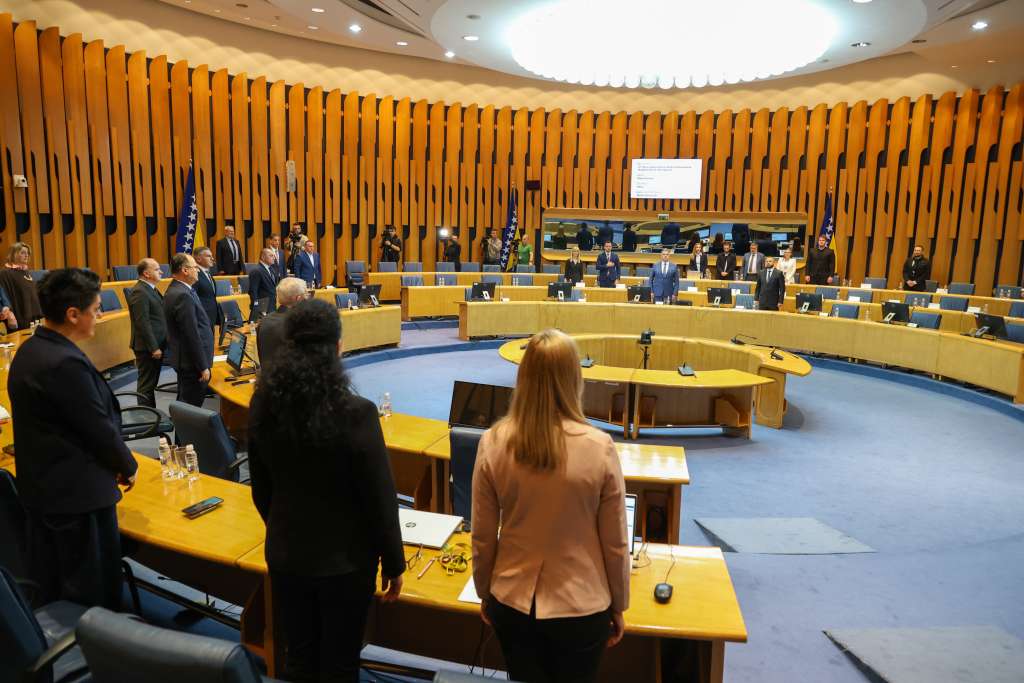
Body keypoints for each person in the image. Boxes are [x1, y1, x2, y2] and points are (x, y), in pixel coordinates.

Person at [249, 299, 404, 683]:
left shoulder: (263, 403)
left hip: (287, 554)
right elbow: (379, 498)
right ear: (337, 347)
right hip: (345, 564)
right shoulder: (357, 412)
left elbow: (260, 487)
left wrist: (284, 527)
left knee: (299, 659)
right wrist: (394, 563)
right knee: (340, 664)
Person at [472, 329, 629, 683]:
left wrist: (485, 592)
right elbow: (616, 544)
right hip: (582, 607)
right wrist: (619, 604)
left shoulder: (492, 441)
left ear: (523, 377)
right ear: (574, 378)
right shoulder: (599, 447)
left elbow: (482, 537)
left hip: (511, 602)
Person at [10, 268, 137, 609]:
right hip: (77, 498)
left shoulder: (31, 349)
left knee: (56, 583)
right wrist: (128, 466)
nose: (101, 315)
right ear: (72, 314)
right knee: (90, 590)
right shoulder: (63, 363)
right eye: (96, 309)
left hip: (46, 488)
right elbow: (96, 426)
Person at [164, 253, 214, 407]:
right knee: (191, 406)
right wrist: (202, 366)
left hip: (186, 359)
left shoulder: (180, 289)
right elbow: (191, 334)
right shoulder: (182, 295)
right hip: (191, 363)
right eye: (195, 267)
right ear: (185, 270)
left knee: (185, 404)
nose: (198, 270)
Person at [126, 258, 167, 408]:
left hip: (154, 344)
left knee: (151, 384)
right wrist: (154, 347)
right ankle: (146, 416)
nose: (161, 272)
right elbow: (142, 323)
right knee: (146, 385)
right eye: (156, 269)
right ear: (146, 273)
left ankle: (151, 413)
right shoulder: (140, 291)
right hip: (147, 347)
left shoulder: (151, 289)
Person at [256, 277, 306, 373]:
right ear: (298, 299)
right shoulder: (297, 325)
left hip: (267, 378)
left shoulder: (264, 320)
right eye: (306, 294)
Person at [0, 241, 42, 329]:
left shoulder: (25, 272)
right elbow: (4, 297)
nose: (26, 255)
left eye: (28, 253)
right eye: (23, 253)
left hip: (34, 318)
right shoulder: (5, 273)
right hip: (19, 320)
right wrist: (10, 314)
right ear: (13, 254)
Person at [193, 246, 223, 335]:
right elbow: (193, 298)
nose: (212, 259)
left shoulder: (207, 273)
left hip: (210, 318)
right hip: (201, 319)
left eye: (212, 256)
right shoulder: (195, 274)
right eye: (208, 256)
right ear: (199, 259)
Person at [249, 248, 279, 320]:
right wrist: (257, 307)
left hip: (272, 305)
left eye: (274, 256)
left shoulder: (272, 270)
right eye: (271, 256)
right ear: (263, 257)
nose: (274, 258)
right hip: (262, 307)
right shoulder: (256, 270)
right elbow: (253, 291)